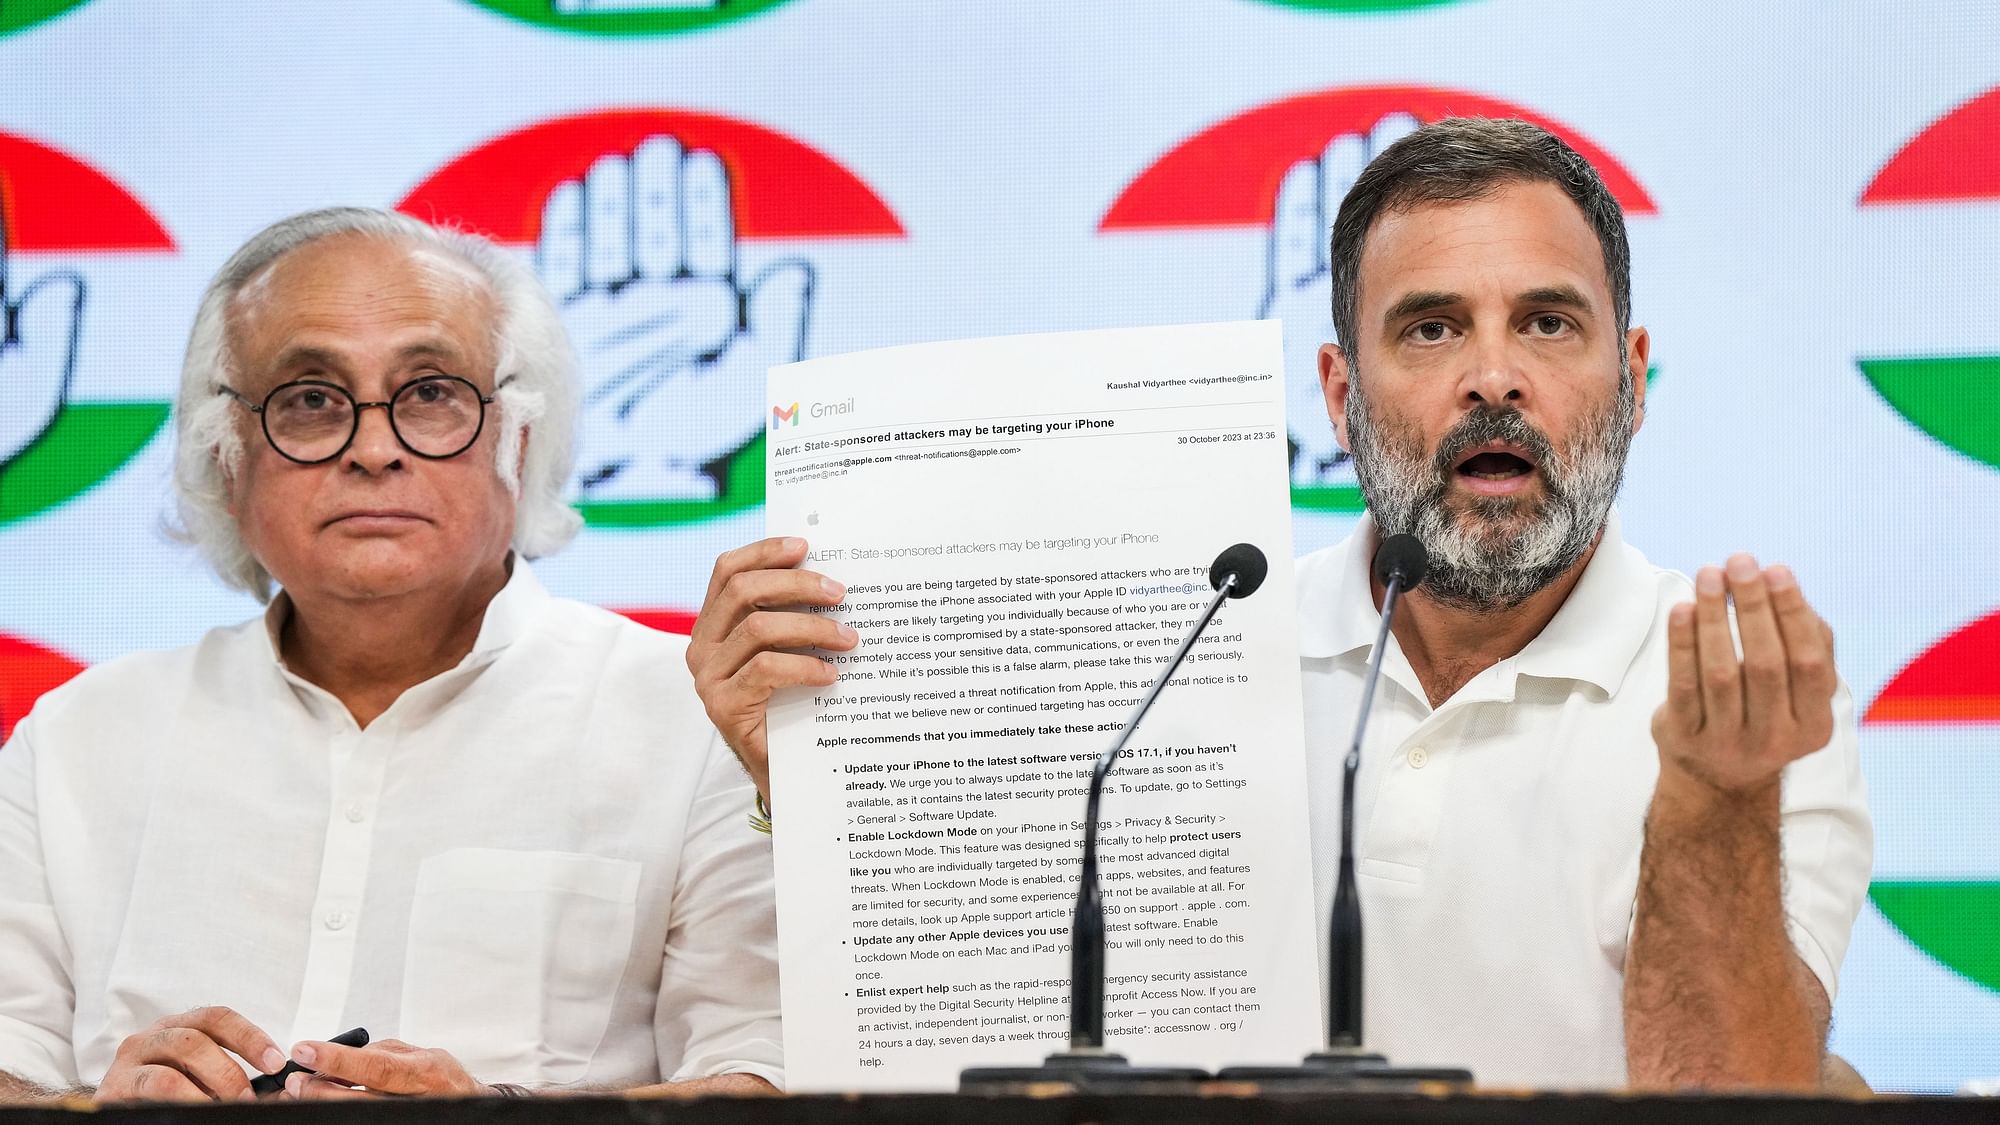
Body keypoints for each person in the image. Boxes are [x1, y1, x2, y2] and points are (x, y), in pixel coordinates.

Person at [686, 118, 1871, 1091]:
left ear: (1632, 378)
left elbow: (1732, 1091)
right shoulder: (1183, 658)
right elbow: (988, 1017)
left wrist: (1714, 797)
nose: (1493, 375)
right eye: (1430, 327)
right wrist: (814, 778)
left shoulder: (1739, 708)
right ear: (1338, 391)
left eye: (1547, 323)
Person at [0, 208, 781, 1103]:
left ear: (518, 441)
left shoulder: (698, 722)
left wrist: (501, 1123)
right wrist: (90, 1112)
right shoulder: (76, 739)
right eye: (309, 400)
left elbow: (768, 1076)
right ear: (229, 459)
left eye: (431, 393)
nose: (374, 450)